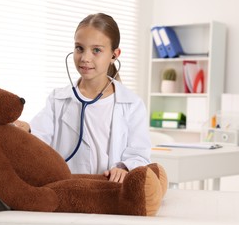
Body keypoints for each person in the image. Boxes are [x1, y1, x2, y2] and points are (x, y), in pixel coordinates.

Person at [20, 13, 152, 183]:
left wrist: (125, 167)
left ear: (114, 55)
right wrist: (26, 130)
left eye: (96, 50)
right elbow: (40, 136)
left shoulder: (132, 104)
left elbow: (139, 153)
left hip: (109, 190)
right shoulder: (58, 99)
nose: (85, 58)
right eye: (79, 48)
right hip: (69, 188)